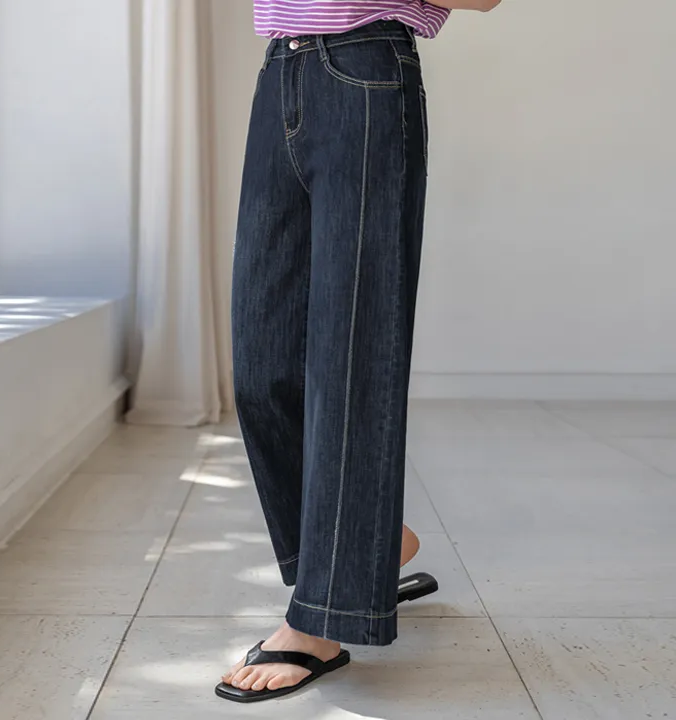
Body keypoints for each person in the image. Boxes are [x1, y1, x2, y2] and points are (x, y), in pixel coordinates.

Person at [217, 0, 502, 703]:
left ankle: (323, 617)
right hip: (281, 70)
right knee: (262, 367)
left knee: (351, 355)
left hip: (366, 72)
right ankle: (365, 551)